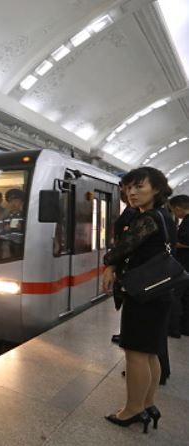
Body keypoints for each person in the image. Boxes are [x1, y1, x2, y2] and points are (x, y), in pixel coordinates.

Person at [101, 166, 176, 431]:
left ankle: (132, 410)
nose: (131, 192)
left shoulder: (148, 219)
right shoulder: (165, 216)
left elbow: (123, 246)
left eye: (139, 187)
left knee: (135, 354)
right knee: (150, 353)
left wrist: (108, 264)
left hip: (144, 294)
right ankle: (147, 404)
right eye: (128, 187)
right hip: (159, 292)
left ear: (156, 189)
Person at [111, 184, 139, 344]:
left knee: (131, 305)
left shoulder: (134, 213)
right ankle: (127, 334)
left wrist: (111, 262)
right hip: (134, 270)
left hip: (134, 271)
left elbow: (126, 242)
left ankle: (128, 336)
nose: (129, 193)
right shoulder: (135, 212)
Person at [169, 194, 189, 336]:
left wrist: (172, 243)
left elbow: (186, 243)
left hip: (186, 265)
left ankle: (179, 328)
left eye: (173, 211)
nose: (175, 214)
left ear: (178, 208)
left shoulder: (187, 221)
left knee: (180, 295)